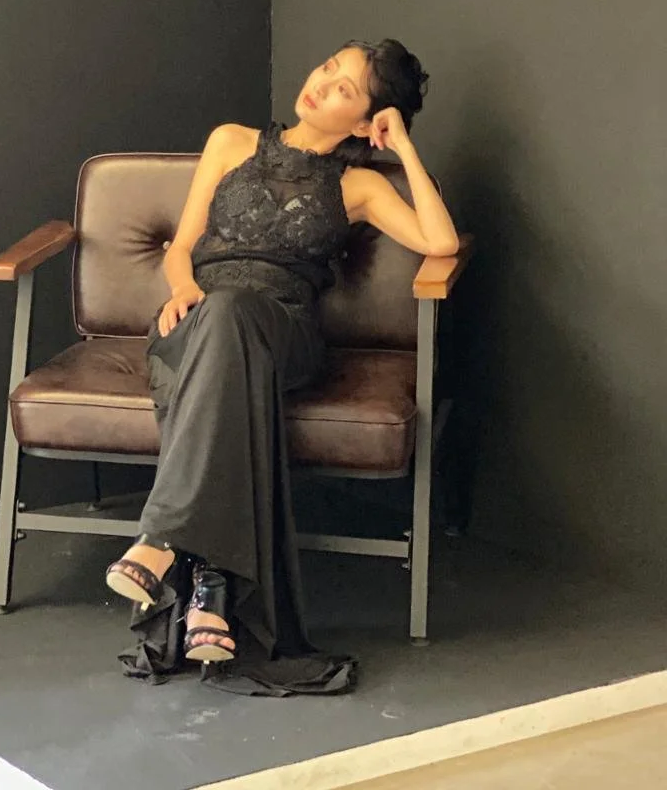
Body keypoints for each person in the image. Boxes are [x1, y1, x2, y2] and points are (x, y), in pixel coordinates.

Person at [104, 38, 458, 695]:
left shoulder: (361, 184)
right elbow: (182, 248)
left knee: (236, 314)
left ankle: (162, 537)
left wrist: (403, 149)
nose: (321, 84)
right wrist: (183, 290)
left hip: (285, 334)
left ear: (365, 121)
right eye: (328, 68)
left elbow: (440, 242)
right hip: (194, 324)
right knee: (222, 321)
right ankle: (209, 584)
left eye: (345, 88)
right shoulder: (230, 142)